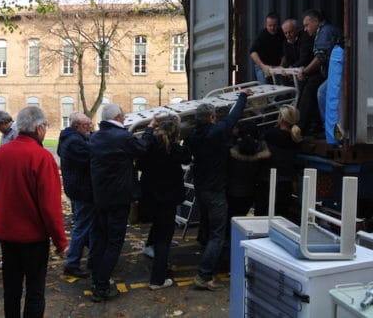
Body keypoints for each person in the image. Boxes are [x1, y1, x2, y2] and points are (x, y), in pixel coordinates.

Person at [0, 106, 68, 317]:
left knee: (11, 290)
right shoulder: (42, 157)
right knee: (34, 291)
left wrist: (1, 223)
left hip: (7, 234)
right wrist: (61, 242)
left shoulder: (0, 154)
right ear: (40, 128)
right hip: (33, 237)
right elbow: (50, 207)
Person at [185, 88, 253, 291]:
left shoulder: (192, 136)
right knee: (218, 234)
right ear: (212, 118)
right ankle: (204, 275)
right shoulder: (216, 132)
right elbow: (233, 118)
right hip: (215, 190)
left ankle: (207, 265)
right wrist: (243, 96)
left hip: (201, 189)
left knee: (208, 228)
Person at [88, 103, 157, 302]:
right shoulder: (123, 137)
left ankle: (96, 276)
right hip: (119, 197)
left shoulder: (96, 137)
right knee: (115, 241)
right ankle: (101, 286)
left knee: (101, 237)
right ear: (118, 117)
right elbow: (142, 148)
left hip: (100, 195)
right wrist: (151, 128)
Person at [138, 113, 191, 290]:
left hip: (150, 197)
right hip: (168, 199)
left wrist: (149, 128)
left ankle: (149, 248)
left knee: (158, 229)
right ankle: (157, 279)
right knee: (164, 238)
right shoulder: (175, 149)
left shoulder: (149, 145)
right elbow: (187, 157)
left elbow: (139, 163)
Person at [57, 112, 95, 279]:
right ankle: (72, 263)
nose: (91, 127)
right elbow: (91, 158)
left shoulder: (69, 138)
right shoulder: (75, 142)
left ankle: (86, 254)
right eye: (87, 125)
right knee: (82, 225)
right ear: (77, 126)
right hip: (82, 189)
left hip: (76, 188)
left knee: (83, 223)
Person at [297, 9, 343, 136]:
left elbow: (320, 57)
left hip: (340, 74)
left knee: (322, 92)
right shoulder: (323, 31)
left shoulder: (325, 32)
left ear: (316, 21)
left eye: (307, 25)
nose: (305, 29)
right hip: (333, 73)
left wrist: (305, 72)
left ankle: (327, 128)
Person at [255, 105, 303, 223]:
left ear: (281, 118)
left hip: (268, 179)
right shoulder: (295, 138)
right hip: (286, 181)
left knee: (262, 215)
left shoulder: (270, 134)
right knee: (281, 217)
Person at [226, 120, 270, 220]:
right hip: (250, 190)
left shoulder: (232, 147)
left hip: (233, 190)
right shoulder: (259, 148)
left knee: (231, 218)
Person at [250, 12, 285, 84]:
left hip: (278, 66)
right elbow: (253, 52)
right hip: (263, 66)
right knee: (265, 89)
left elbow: (285, 53)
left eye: (274, 25)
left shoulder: (283, 33)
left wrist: (281, 66)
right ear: (266, 25)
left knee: (281, 89)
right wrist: (263, 66)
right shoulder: (262, 35)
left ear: (278, 25)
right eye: (270, 26)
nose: (272, 28)